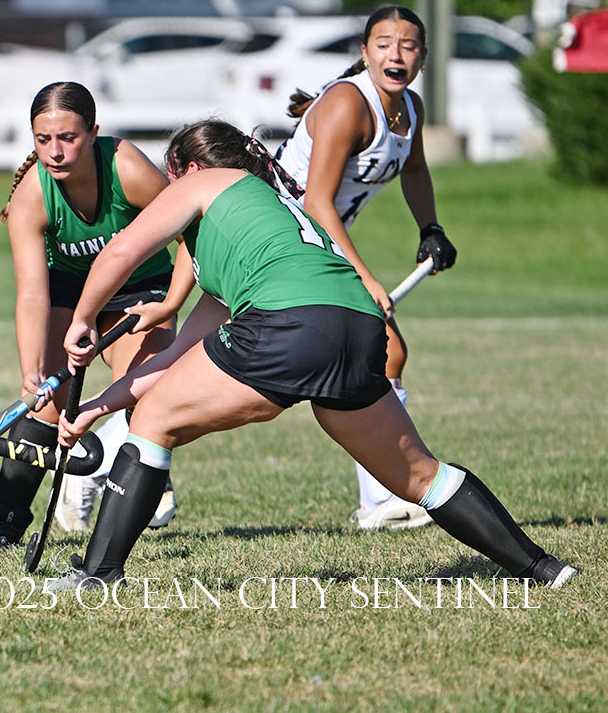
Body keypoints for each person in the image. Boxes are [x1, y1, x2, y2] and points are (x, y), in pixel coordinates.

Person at [48, 119, 576, 591]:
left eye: (170, 178)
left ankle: (97, 574)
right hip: (360, 328)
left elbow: (120, 250)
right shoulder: (256, 225)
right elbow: (175, 359)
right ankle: (542, 567)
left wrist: (81, 320)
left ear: (187, 170)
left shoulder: (203, 183)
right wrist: (94, 408)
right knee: (420, 476)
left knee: (154, 421)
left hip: (289, 324)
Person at [0, 81, 195, 546]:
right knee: (47, 403)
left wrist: (171, 303)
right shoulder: (31, 196)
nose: (55, 152)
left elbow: (191, 234)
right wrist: (31, 371)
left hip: (139, 288)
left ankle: (110, 484)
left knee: (144, 391)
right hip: (68, 292)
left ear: (94, 132)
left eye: (68, 138)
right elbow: (32, 294)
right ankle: (5, 522)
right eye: (43, 140)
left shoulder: (126, 168)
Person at [271, 4, 457, 532]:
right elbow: (316, 203)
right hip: (278, 237)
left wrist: (430, 227)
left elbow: (414, 168)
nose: (396, 54)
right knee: (383, 350)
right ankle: (383, 497)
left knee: (383, 353)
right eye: (383, 43)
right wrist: (366, 280)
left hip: (314, 240)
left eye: (408, 45)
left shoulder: (410, 107)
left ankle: (381, 499)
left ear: (423, 56)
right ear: (365, 52)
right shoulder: (346, 104)